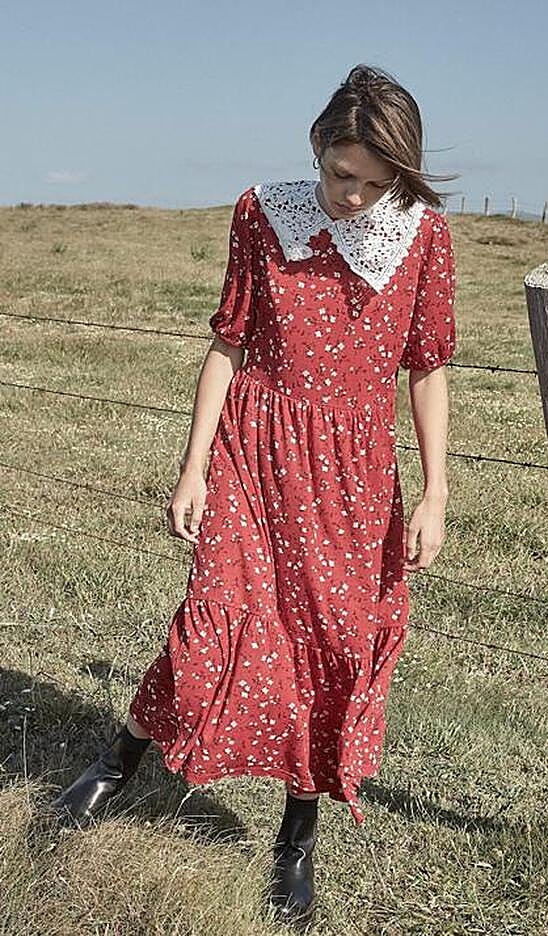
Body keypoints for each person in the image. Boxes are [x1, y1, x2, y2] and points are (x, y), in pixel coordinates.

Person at [47, 62, 458, 926]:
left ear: (402, 177)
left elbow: (426, 369)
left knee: (334, 646)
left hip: (351, 476)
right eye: (340, 174)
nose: (351, 197)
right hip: (252, 450)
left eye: (373, 184)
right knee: (212, 624)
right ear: (318, 148)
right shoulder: (262, 214)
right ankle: (124, 759)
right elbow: (228, 344)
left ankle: (296, 836)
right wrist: (193, 466)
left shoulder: (423, 239)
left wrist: (435, 490)